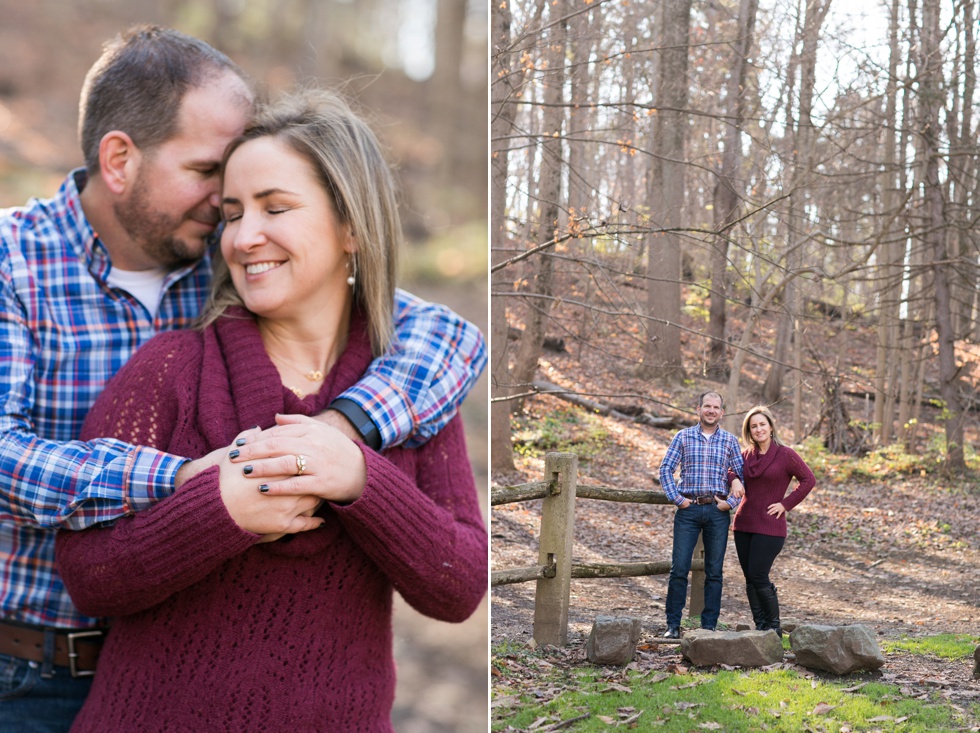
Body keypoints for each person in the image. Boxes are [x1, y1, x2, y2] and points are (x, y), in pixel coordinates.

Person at [0, 25, 485, 731]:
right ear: (119, 160)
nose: (233, 218)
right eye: (210, 177)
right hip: (27, 671)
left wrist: (343, 438)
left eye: (259, 202)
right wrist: (192, 481)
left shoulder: (217, 255)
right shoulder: (16, 263)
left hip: (156, 660)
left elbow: (441, 334)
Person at [658, 391, 744, 638]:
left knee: (714, 571)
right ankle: (673, 625)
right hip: (689, 510)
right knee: (679, 568)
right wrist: (678, 500)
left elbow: (741, 477)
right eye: (707, 406)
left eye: (716, 407)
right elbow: (665, 470)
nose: (711, 410)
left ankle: (709, 626)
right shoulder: (683, 437)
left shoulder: (730, 441)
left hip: (718, 513)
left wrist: (730, 504)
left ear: (722, 412)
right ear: (698, 409)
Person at [732, 405, 815, 635]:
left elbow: (808, 480)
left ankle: (774, 628)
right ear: (749, 431)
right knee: (750, 578)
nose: (758, 429)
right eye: (753, 426)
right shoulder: (746, 455)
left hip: (770, 526)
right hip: (743, 524)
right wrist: (734, 480)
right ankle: (761, 627)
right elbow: (730, 469)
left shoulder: (785, 453)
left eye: (762, 424)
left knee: (759, 575)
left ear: (770, 427)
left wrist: (785, 504)